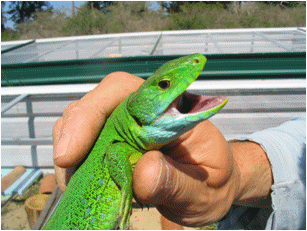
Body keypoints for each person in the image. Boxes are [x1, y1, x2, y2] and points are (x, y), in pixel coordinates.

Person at [52, 72, 306, 230]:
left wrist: (234, 176)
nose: (196, 64)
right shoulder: (122, 146)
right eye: (164, 84)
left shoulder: (131, 143)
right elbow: (114, 155)